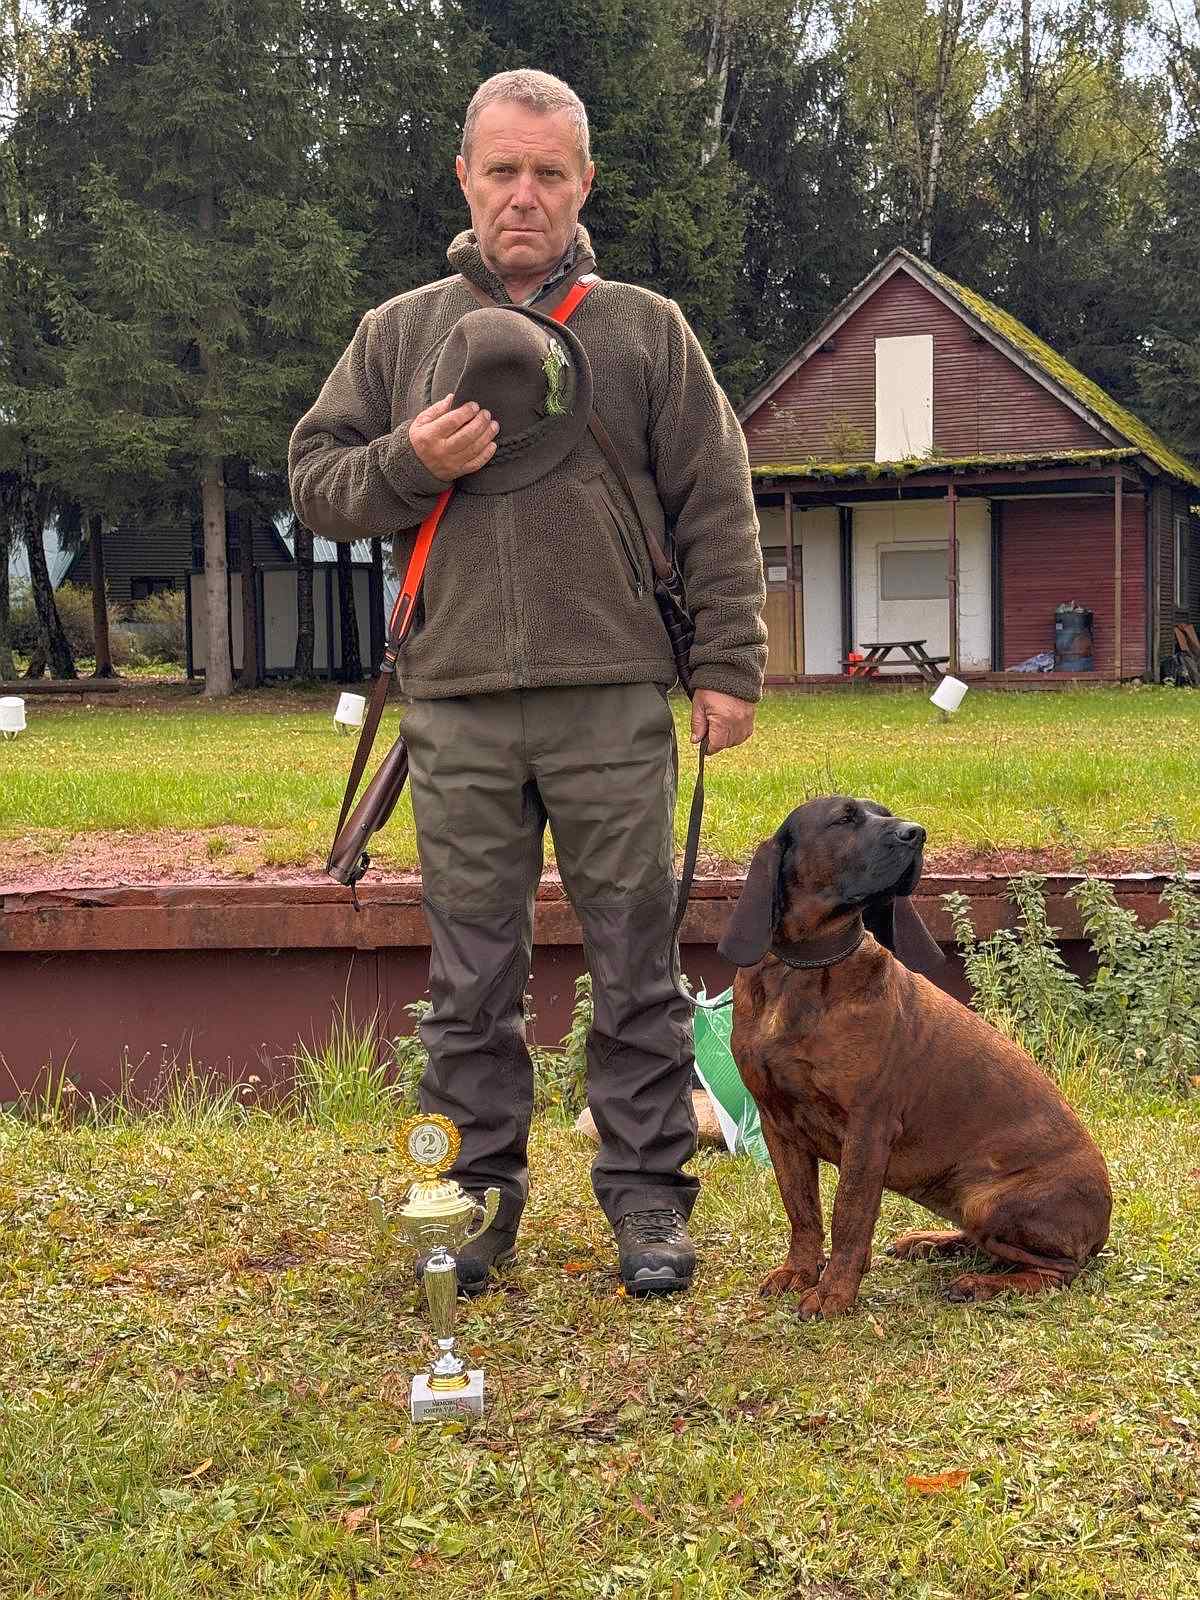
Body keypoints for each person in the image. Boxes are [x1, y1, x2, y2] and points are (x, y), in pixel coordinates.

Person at [289, 68, 766, 1296]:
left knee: (638, 966)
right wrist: (408, 458)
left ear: (583, 184)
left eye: (549, 173)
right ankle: (472, 1201)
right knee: (469, 984)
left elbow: (717, 499)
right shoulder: (398, 334)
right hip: (452, 708)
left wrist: (727, 666)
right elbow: (316, 480)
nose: (523, 195)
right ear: (465, 177)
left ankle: (649, 1199)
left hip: (613, 698)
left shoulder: (646, 329)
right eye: (502, 170)